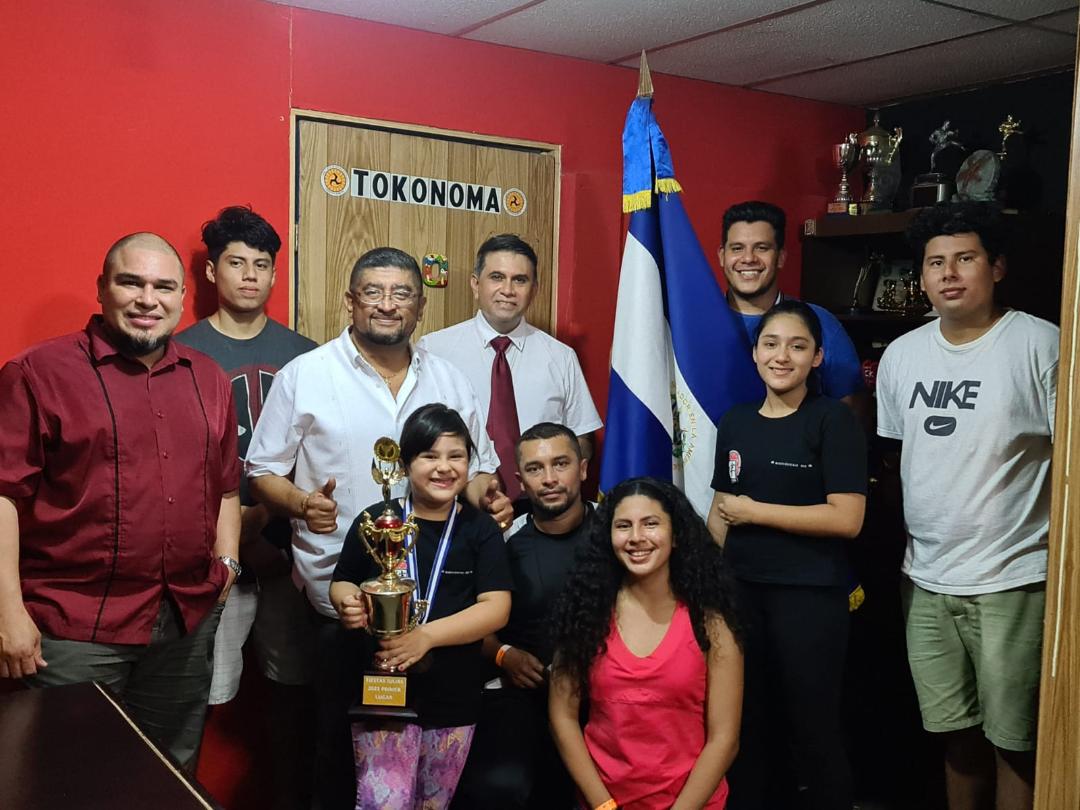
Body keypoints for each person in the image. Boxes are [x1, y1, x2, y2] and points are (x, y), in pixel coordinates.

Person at [246, 245, 512, 808]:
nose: (387, 305)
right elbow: (262, 471)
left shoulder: (450, 380)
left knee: (435, 762)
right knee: (338, 761)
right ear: (350, 301)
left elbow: (476, 468)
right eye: (373, 292)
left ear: (420, 306)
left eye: (402, 294)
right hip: (341, 609)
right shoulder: (306, 375)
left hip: (441, 618)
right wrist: (300, 503)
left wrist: (487, 494)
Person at [0, 232, 240, 769]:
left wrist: (227, 565)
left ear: (182, 297)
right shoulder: (38, 373)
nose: (147, 300)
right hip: (73, 630)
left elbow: (226, 484)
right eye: (131, 283)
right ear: (102, 288)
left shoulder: (208, 379)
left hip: (184, 624)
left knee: (170, 776)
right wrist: (7, 612)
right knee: (69, 781)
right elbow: (3, 495)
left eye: (163, 287)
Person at [876, 202, 1057, 810]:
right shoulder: (903, 355)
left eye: (965, 258)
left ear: (996, 267)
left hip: (1013, 579)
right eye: (936, 263)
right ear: (922, 277)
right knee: (954, 736)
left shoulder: (1041, 345)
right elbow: (900, 459)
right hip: (926, 580)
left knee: (1015, 741)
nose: (949, 273)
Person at [175, 206, 317, 806]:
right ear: (212, 271)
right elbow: (176, 465)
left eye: (262, 265)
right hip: (212, 561)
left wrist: (265, 525)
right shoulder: (181, 351)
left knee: (295, 693)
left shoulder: (306, 355)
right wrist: (236, 538)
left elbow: (321, 457)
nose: (251, 275)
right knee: (199, 695)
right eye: (237, 263)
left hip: (291, 554)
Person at [707, 300, 867, 809]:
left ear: (816, 357)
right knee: (747, 724)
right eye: (771, 344)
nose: (782, 356)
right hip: (741, 593)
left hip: (810, 597)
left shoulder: (832, 420)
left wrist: (756, 512)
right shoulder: (736, 421)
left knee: (812, 727)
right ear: (755, 353)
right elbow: (721, 510)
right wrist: (702, 581)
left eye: (797, 347)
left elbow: (847, 519)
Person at [330, 404, 513, 809]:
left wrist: (425, 637)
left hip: (454, 697)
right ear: (405, 463)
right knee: (385, 803)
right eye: (430, 455)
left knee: (434, 804)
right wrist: (348, 602)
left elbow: (496, 607)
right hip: (382, 693)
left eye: (456, 456)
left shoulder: (480, 530)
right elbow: (342, 580)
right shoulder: (377, 522)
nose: (444, 467)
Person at [550, 477, 743, 810]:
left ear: (676, 535)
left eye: (651, 524)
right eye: (623, 526)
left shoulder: (711, 624)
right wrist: (604, 805)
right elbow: (562, 718)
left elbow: (724, 739)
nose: (636, 537)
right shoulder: (585, 615)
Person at [453, 422, 596, 809]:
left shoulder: (616, 534)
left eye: (561, 464)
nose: (549, 479)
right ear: (520, 481)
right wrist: (504, 655)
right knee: (502, 789)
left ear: (583, 469)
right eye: (535, 468)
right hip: (524, 696)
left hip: (608, 699)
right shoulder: (500, 542)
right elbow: (468, 624)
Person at [417, 234, 602, 501]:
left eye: (520, 280)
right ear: (475, 284)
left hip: (539, 509)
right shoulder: (434, 350)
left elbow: (581, 436)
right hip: (457, 504)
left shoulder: (561, 357)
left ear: (534, 289)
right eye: (497, 277)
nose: (508, 290)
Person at [718, 200, 864, 408]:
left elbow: (851, 413)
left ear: (780, 257)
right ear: (722, 256)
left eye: (762, 248)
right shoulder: (694, 325)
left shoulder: (820, 323)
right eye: (737, 248)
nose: (748, 258)